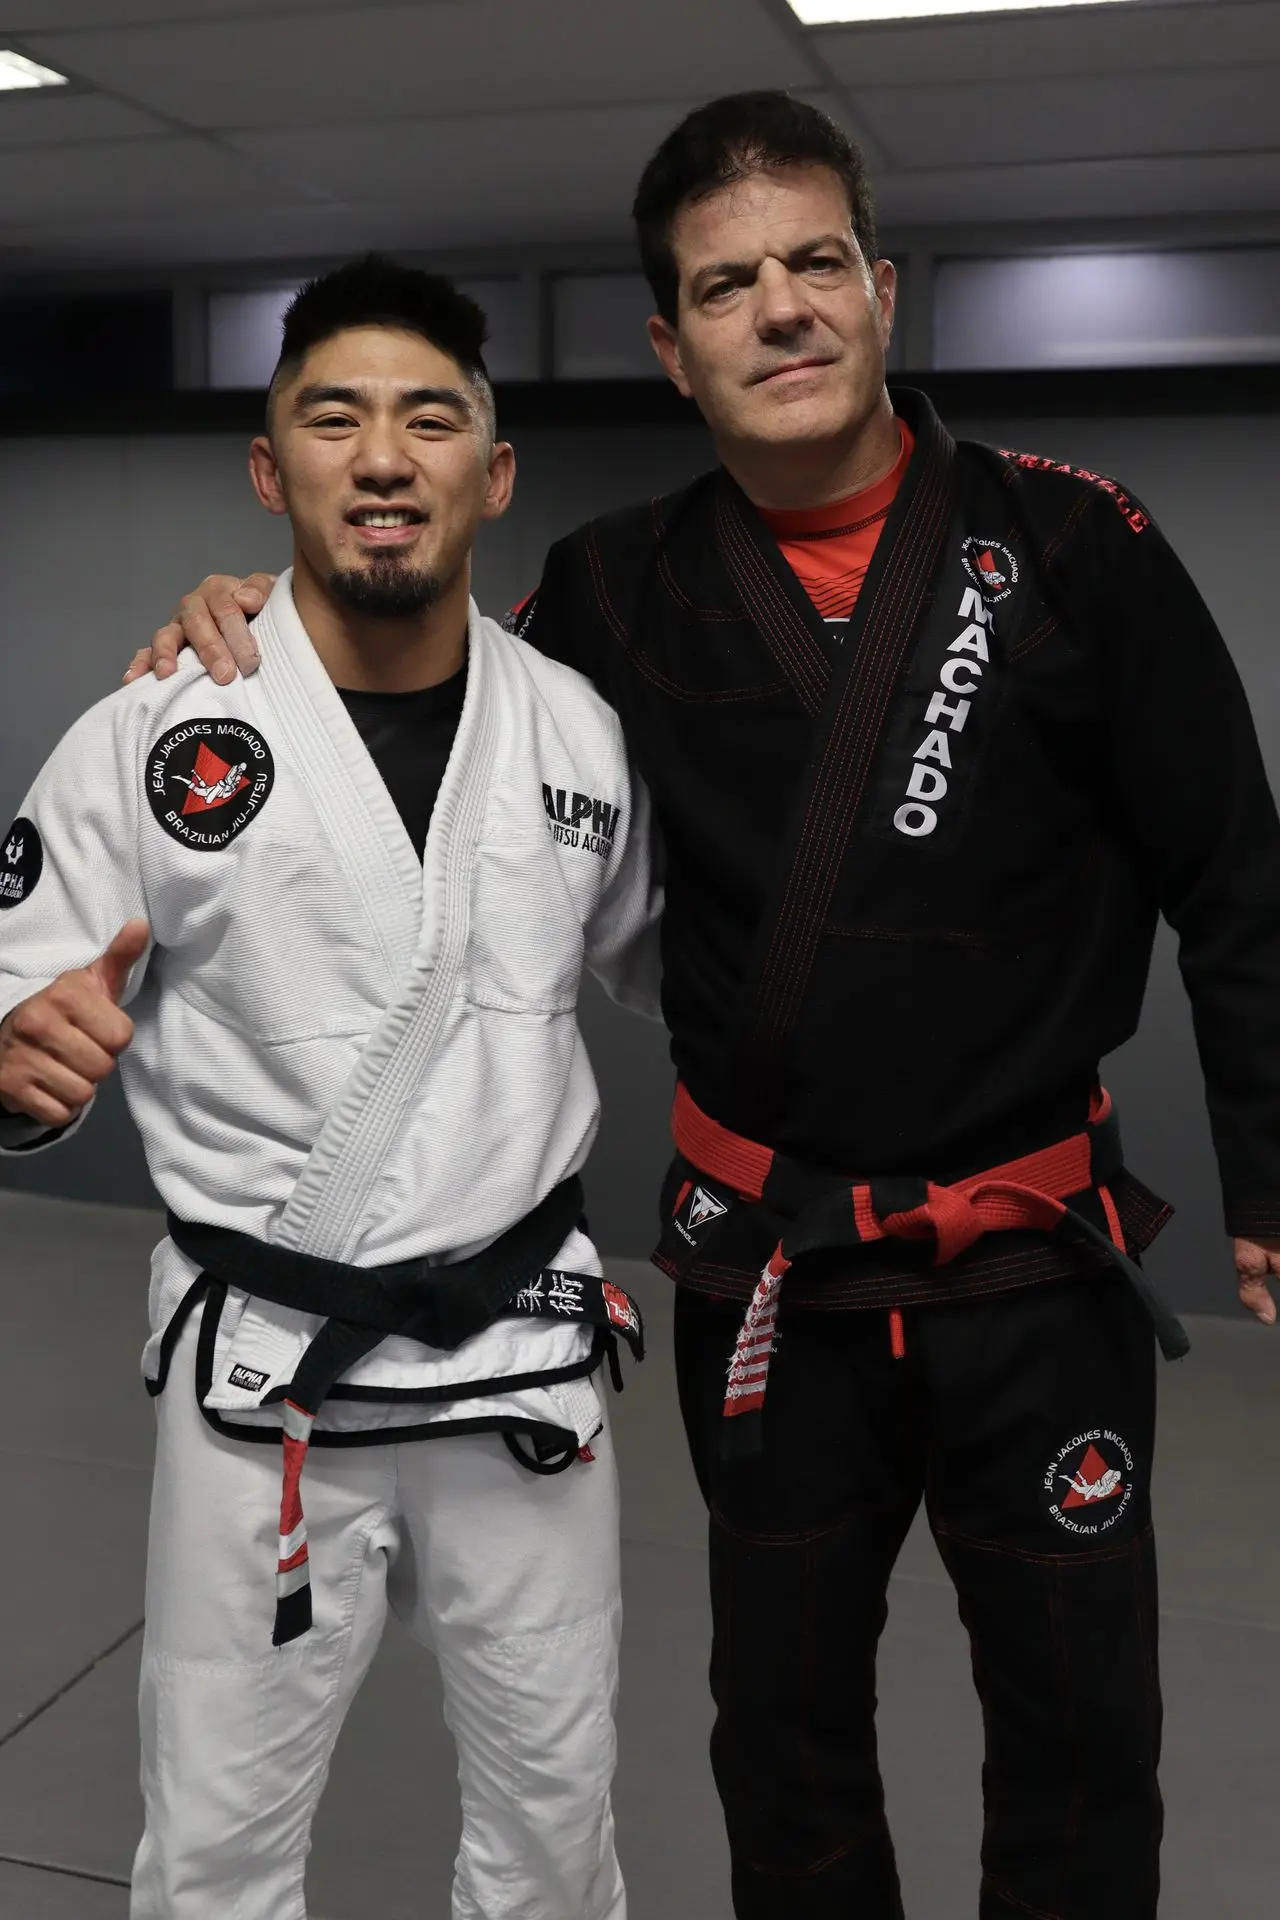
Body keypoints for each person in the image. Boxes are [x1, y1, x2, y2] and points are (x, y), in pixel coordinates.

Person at [127, 93, 1280, 1920]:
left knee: (1083, 1733)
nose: (784, 308)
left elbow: (1237, 876)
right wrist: (244, 635)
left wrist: (1270, 1182)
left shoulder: (1076, 545)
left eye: (818, 262)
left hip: (1036, 1265)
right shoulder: (615, 589)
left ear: (884, 291)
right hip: (772, 1274)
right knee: (784, 1733)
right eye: (728, 283)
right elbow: (424, 694)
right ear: (674, 345)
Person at [0, 255, 662, 1920]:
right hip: (265, 1383)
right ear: (271, 466)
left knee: (557, 1834)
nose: (383, 456)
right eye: (334, 417)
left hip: (520, 1361)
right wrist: (17, 1074)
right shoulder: (151, 729)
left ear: (491, 473)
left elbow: (710, 982)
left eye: (431, 418)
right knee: (214, 1853)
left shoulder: (580, 734)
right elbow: (17, 1000)